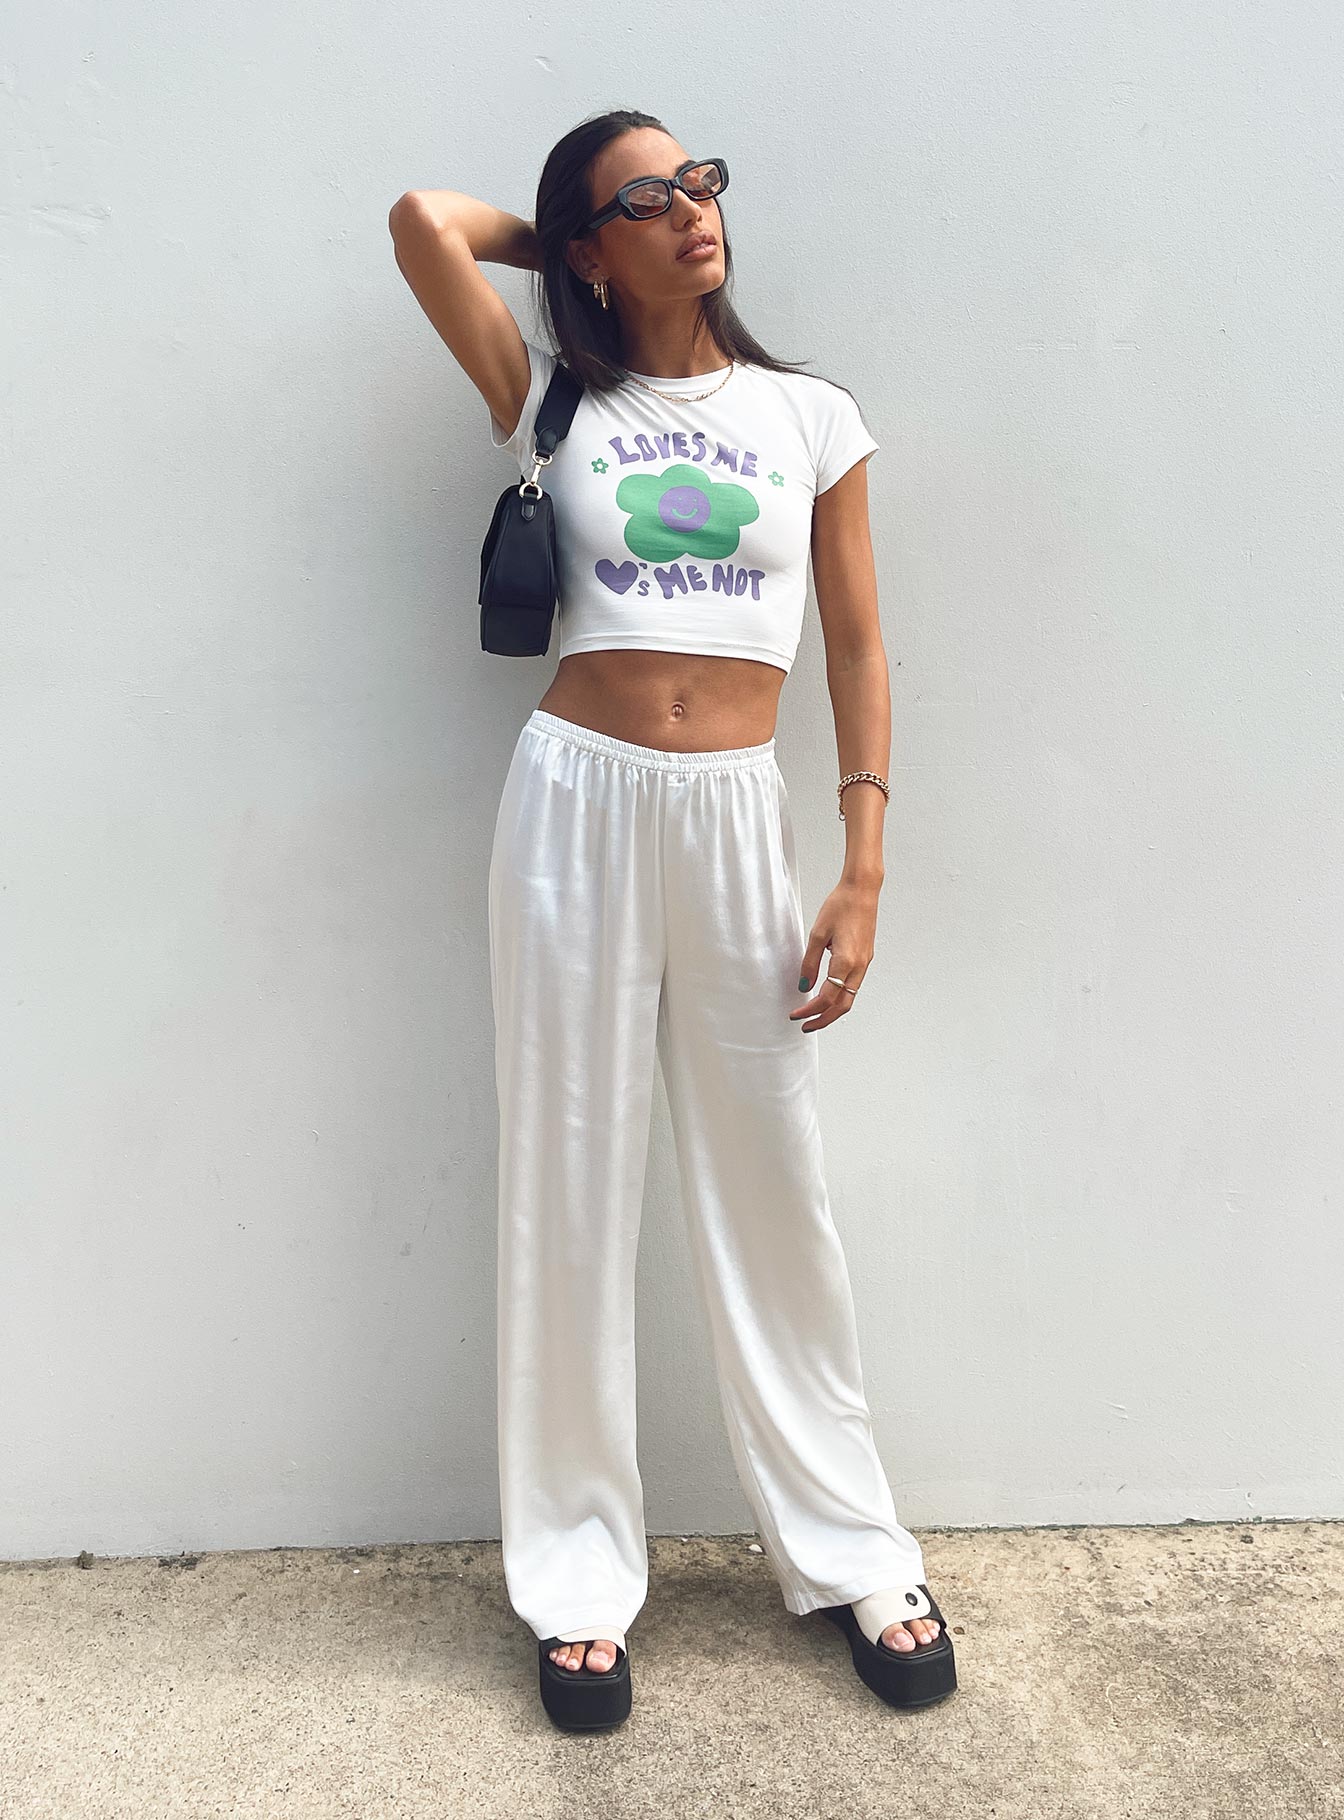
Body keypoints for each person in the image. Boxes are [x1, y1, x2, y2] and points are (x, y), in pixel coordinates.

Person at [389, 108, 957, 1729]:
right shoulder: (552, 394)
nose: (694, 208)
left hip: (735, 819)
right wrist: (570, 258)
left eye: (700, 181)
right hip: (572, 799)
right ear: (588, 245)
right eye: (648, 197)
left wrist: (861, 865)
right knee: (566, 1180)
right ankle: (576, 1578)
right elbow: (423, 220)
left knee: (775, 1184)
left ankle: (852, 1548)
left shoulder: (808, 415)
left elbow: (858, 645)